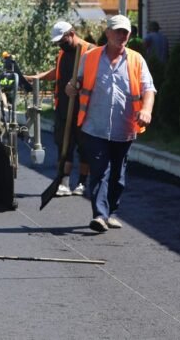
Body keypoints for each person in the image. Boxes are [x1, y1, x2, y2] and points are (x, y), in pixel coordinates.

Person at [66, 14, 156, 233]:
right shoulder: (91, 57)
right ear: (107, 33)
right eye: (117, 31)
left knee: (118, 175)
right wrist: (72, 87)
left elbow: (149, 89)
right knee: (100, 171)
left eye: (125, 32)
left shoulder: (136, 60)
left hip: (124, 128)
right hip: (94, 127)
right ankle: (99, 215)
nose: (121, 35)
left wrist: (146, 109)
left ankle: (112, 212)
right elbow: (76, 83)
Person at [25, 21, 93, 197]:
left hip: (85, 110)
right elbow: (59, 72)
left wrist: (79, 85)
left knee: (85, 148)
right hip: (64, 108)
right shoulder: (64, 52)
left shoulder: (91, 51)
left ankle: (82, 183)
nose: (60, 44)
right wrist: (37, 77)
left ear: (71, 33)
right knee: (64, 146)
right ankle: (63, 182)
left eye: (62, 40)